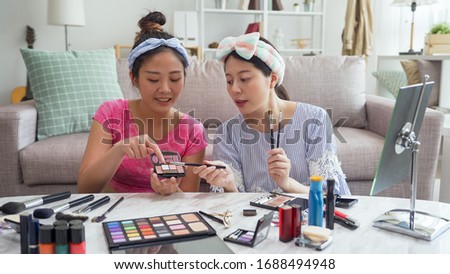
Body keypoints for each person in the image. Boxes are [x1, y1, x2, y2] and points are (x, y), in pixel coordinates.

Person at [193, 32, 350, 195]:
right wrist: (228, 184)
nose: (234, 89)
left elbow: (330, 196)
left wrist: (287, 183)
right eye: (229, 81)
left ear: (272, 79)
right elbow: (234, 205)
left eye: (244, 79)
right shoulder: (226, 133)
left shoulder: (315, 119)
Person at [78, 11, 207, 195]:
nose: (165, 89)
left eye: (175, 78)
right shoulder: (110, 113)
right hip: (115, 212)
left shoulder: (193, 130)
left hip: (167, 215)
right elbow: (84, 188)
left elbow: (188, 198)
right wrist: (119, 149)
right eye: (153, 80)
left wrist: (172, 191)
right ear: (134, 77)